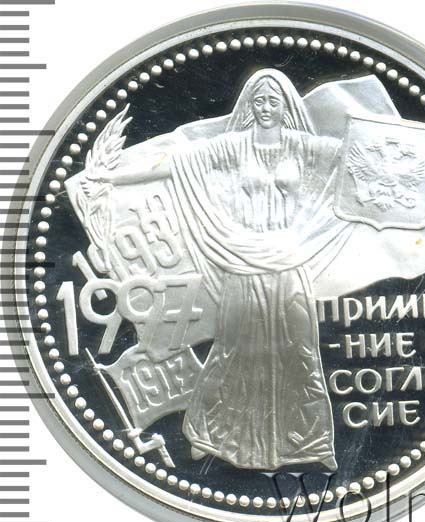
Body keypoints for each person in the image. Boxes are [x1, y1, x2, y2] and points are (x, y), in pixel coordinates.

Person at [103, 69, 346, 470]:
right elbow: (176, 164)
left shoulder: (303, 146)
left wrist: (420, 173)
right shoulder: (232, 148)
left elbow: (358, 159)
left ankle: (311, 446)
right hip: (242, 262)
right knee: (234, 351)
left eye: (273, 101)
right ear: (249, 106)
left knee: (300, 352)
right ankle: (208, 435)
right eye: (259, 101)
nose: (266, 108)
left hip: (288, 263)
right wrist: (112, 177)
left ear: (286, 106)